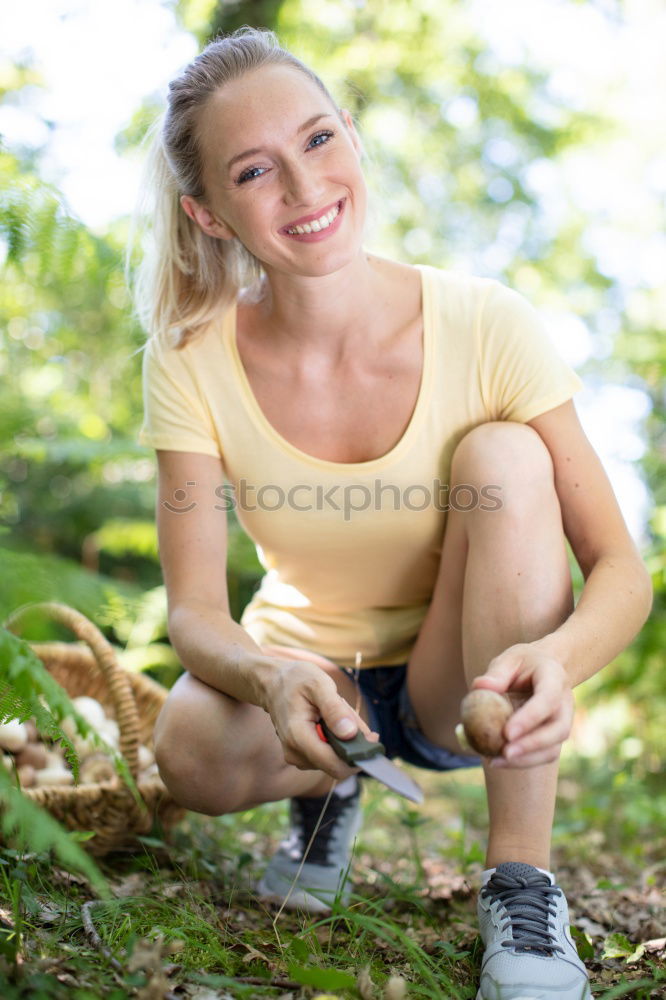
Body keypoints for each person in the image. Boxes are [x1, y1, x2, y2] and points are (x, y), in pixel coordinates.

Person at [135, 27, 652, 1000]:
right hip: (314, 683)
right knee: (187, 749)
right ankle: (329, 790)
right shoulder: (191, 355)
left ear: (355, 141)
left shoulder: (489, 324)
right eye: (255, 170)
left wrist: (560, 660)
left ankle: (522, 882)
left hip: (464, 679)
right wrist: (271, 677)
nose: (302, 186)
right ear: (209, 214)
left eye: (319, 139)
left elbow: (619, 572)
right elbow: (196, 613)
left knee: (505, 453)